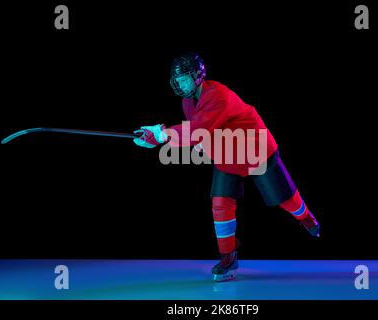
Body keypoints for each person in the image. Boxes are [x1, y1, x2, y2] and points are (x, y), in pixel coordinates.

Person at [133, 52, 320, 282]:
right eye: (177, 80)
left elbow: (197, 127)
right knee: (220, 204)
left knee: (286, 199)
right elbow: (200, 129)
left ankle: (306, 218)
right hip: (227, 156)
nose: (181, 84)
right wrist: (182, 140)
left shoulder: (217, 94)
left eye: (185, 78)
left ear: (199, 76)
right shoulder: (187, 101)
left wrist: (161, 133)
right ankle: (228, 257)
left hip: (255, 150)